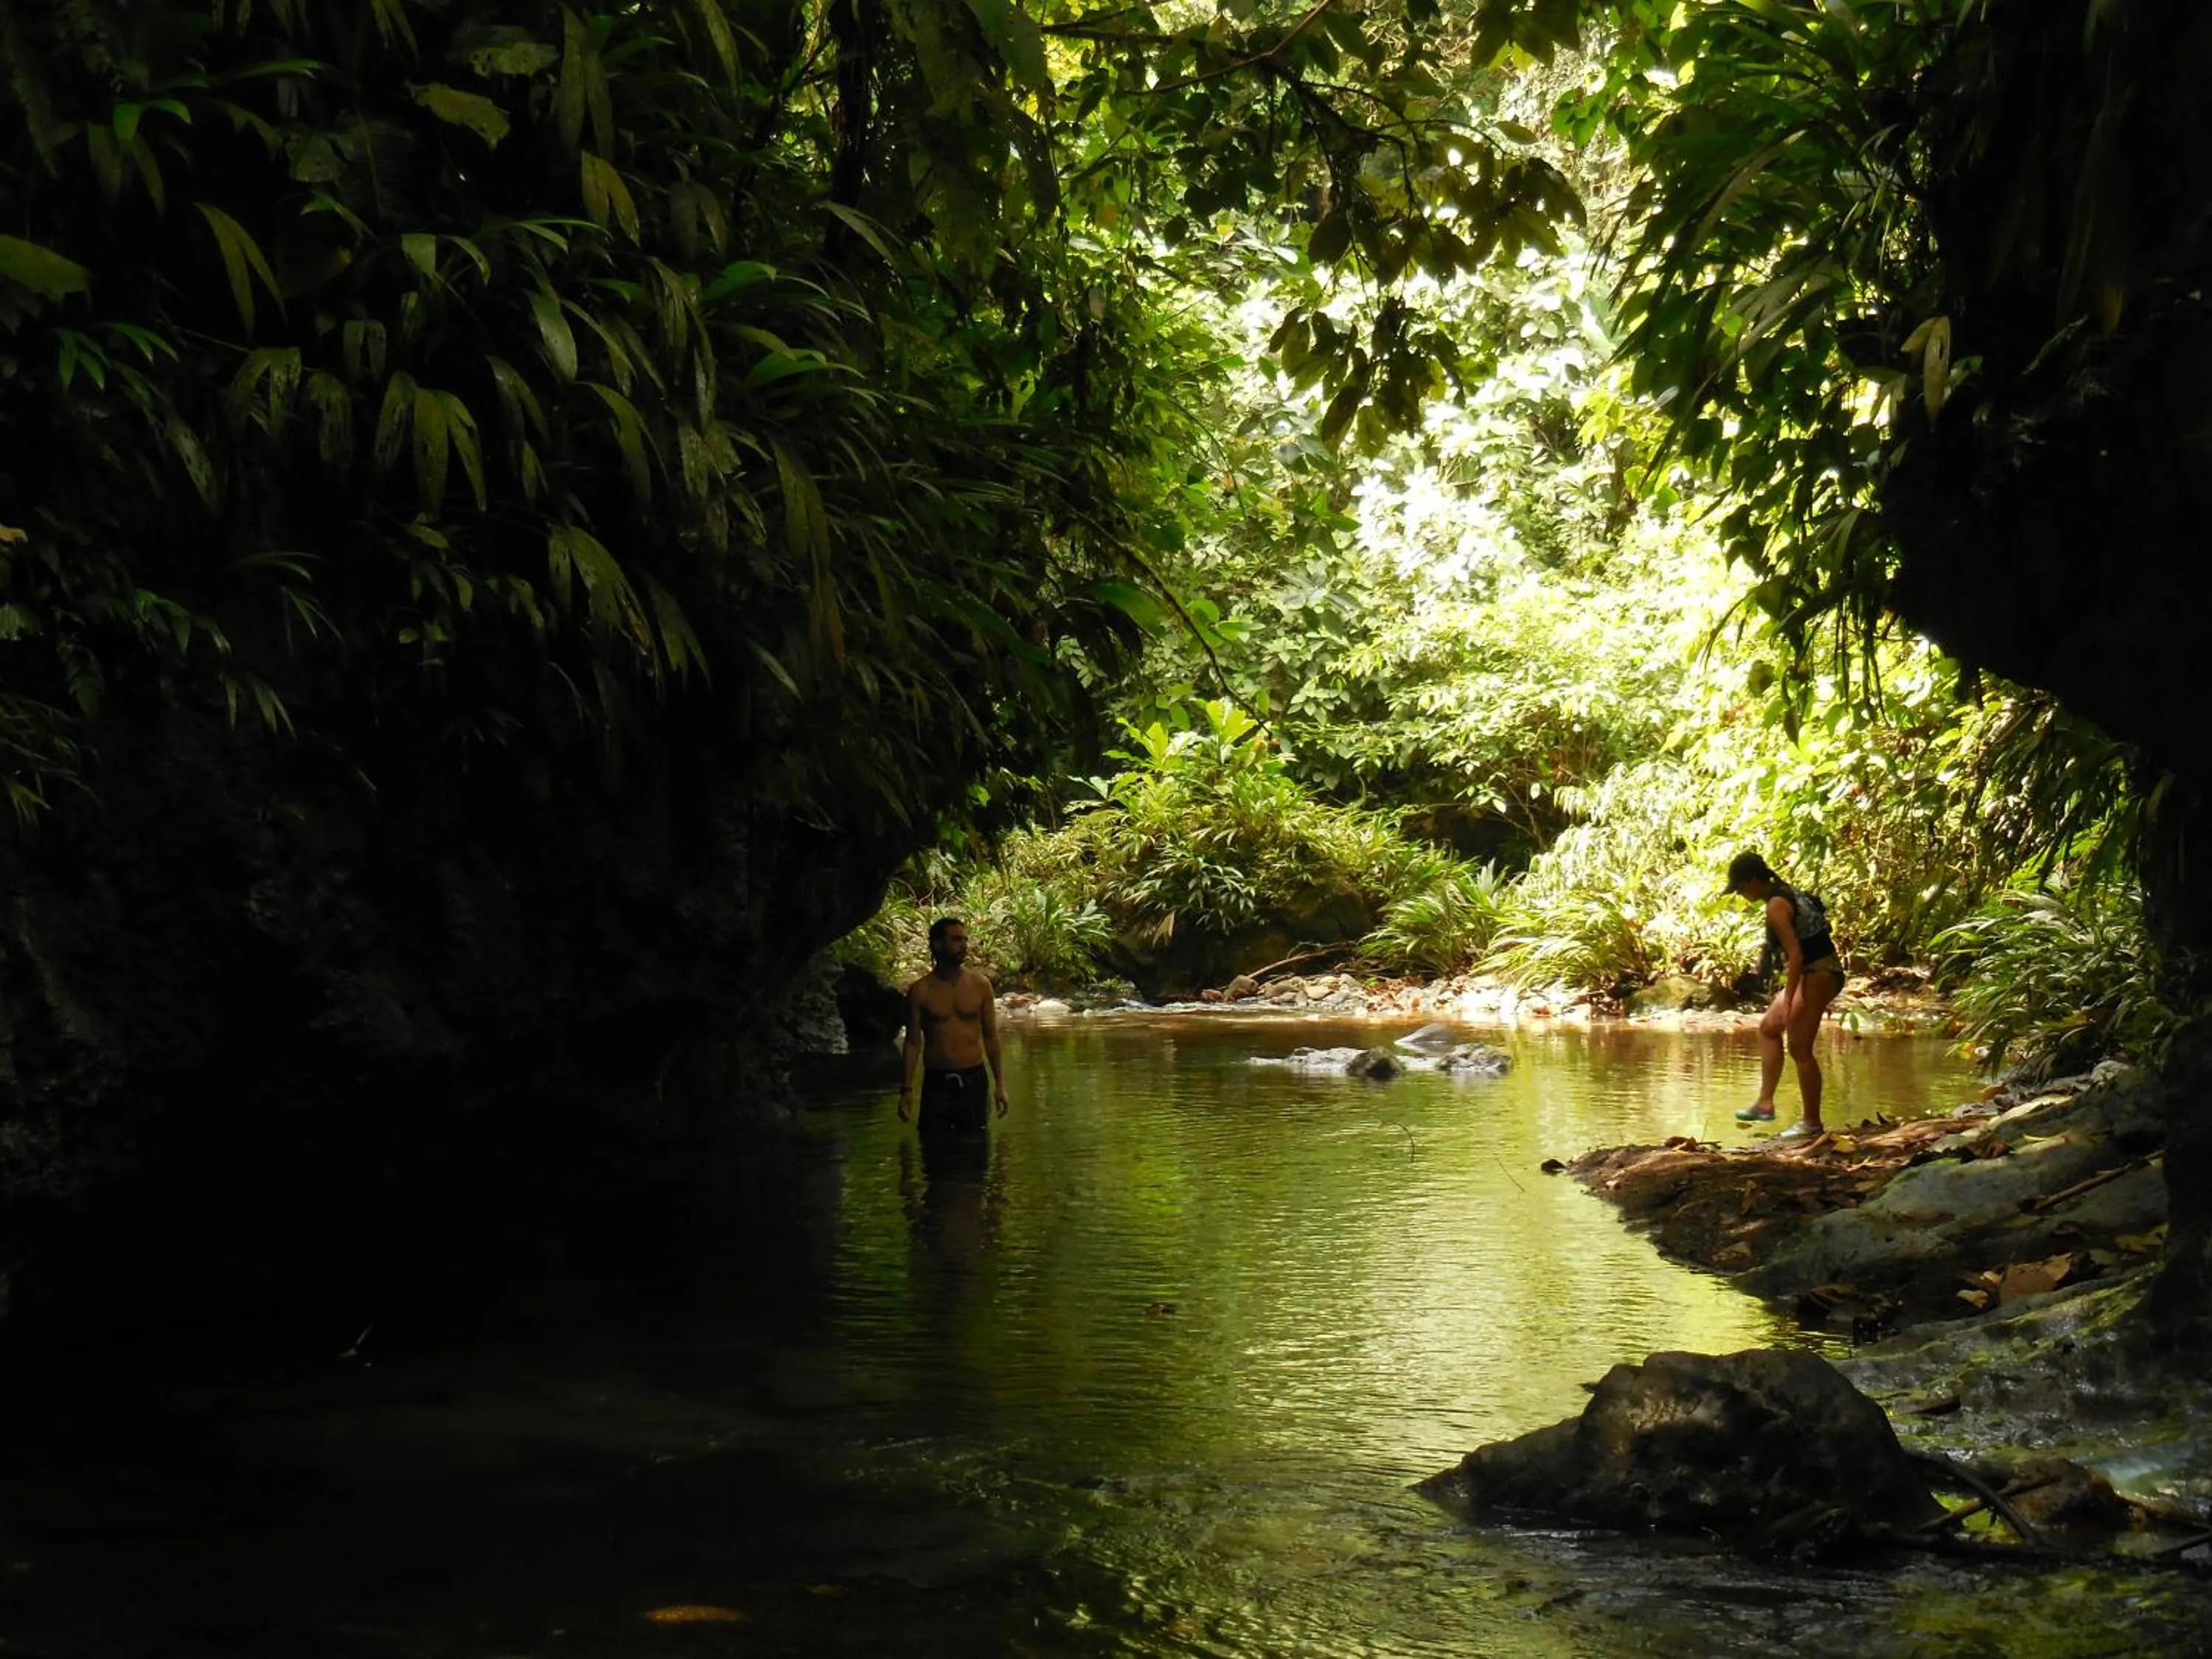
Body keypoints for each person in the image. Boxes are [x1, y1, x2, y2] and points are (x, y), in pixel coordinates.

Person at [1725, 852, 1845, 1142]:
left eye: (1741, 888)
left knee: (1800, 1048)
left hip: (1819, 975)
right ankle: (1765, 1104)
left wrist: (1790, 999)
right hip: (1815, 973)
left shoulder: (1776, 906)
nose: (1741, 895)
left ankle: (1812, 1123)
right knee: (1768, 1029)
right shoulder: (1784, 892)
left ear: (1754, 881)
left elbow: (1795, 956)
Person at [899, 917, 1009, 1135]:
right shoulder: (920, 991)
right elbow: (912, 1043)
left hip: (974, 1079)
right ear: (938, 944)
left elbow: (990, 1036)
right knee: (933, 1150)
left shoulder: (980, 985)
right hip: (937, 1080)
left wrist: (999, 1084)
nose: (964, 945)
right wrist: (906, 1089)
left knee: (976, 1147)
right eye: (957, 939)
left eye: (965, 940)